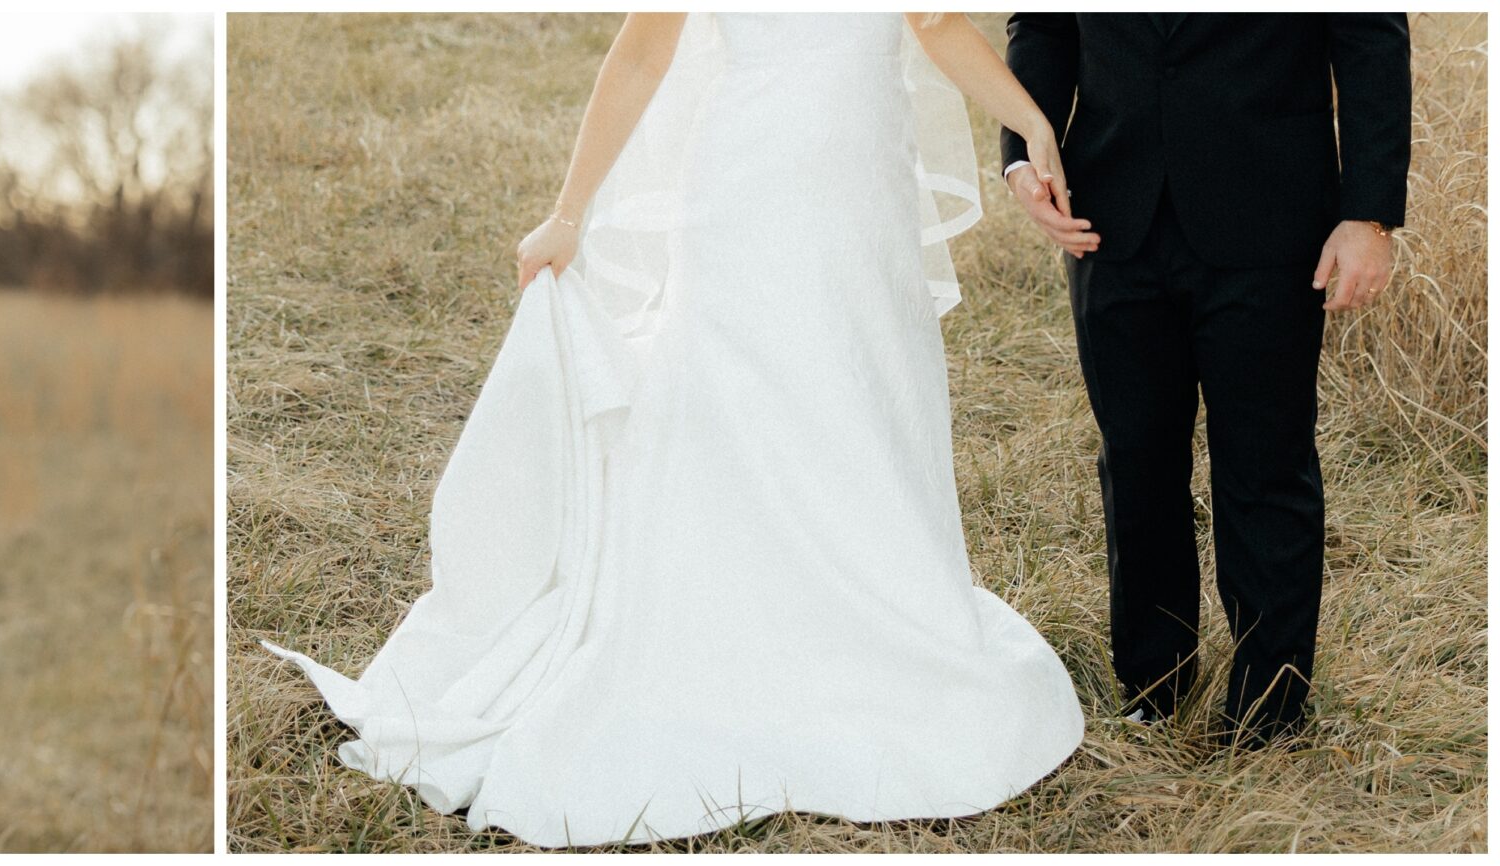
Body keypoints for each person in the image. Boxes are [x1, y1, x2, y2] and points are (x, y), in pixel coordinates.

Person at [262, 13, 1082, 848]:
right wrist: (568, 214)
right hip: (747, 188)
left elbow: (936, 23)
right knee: (743, 403)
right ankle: (737, 629)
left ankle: (872, 612)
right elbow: (643, 51)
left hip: (861, 194)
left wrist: (1030, 119)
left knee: (863, 397)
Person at [995, 13, 1410, 746]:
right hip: (1110, 211)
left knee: (1266, 464)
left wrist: (1369, 214)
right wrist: (1020, 156)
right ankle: (1154, 684)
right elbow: (1047, 25)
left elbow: (1370, 34)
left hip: (1272, 210)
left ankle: (1270, 711)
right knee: (1137, 457)